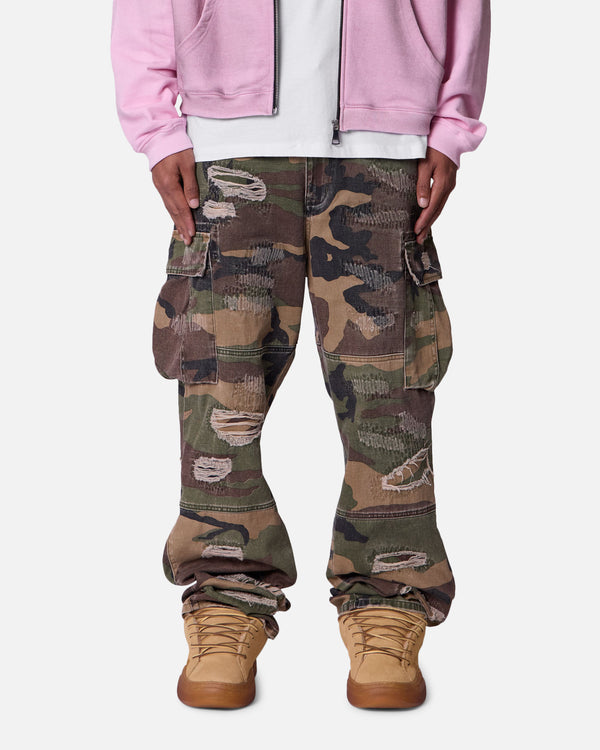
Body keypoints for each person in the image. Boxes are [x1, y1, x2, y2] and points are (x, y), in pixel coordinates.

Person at [110, 0, 491, 710]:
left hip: (386, 145)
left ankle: (390, 596)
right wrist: (158, 127)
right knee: (221, 387)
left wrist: (451, 121)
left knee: (389, 389)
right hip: (229, 145)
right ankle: (224, 596)